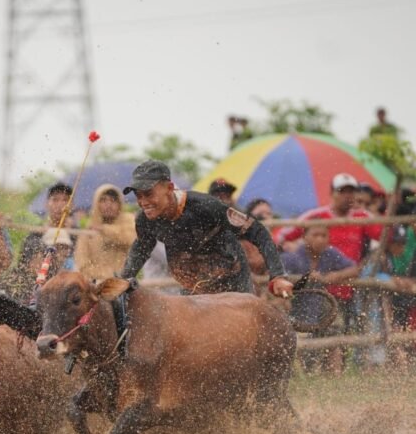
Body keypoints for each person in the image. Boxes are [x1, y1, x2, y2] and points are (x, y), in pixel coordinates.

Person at [120, 160, 291, 297]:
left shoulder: (206, 206)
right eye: (138, 195)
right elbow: (142, 247)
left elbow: (258, 232)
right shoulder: (145, 220)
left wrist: (277, 275)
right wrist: (124, 278)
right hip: (192, 286)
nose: (143, 202)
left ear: (169, 188)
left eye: (148, 194)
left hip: (232, 280)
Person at [281, 225, 358, 373]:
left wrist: (335, 276)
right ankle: (301, 373)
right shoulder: (292, 257)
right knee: (300, 343)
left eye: (324, 236)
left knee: (335, 333)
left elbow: (354, 268)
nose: (320, 239)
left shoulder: (330, 253)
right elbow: (280, 281)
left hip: (320, 303)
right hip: (297, 306)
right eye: (315, 235)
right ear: (305, 237)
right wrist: (288, 296)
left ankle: (335, 374)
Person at [291, 173, 381, 265]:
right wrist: (290, 246)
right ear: (332, 193)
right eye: (342, 191)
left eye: (351, 191)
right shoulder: (315, 215)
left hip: (351, 275)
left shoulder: (362, 217)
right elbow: (281, 236)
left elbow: (386, 236)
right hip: (320, 275)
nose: (347, 195)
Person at [74, 184, 136, 281]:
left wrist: (104, 229)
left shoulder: (128, 220)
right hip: (97, 284)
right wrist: (105, 276)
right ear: (96, 203)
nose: (109, 204)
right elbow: (82, 263)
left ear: (120, 204)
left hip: (125, 281)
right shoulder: (89, 228)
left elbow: (132, 240)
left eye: (113, 200)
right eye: (103, 200)